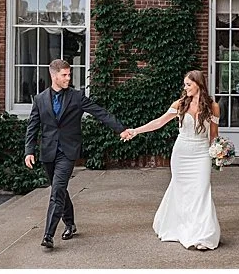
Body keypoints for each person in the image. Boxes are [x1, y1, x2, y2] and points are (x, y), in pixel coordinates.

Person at [23, 58, 135, 249]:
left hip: (68, 151)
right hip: (48, 152)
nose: (68, 78)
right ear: (54, 75)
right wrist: (29, 151)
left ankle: (48, 235)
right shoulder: (40, 99)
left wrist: (121, 129)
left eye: (69, 74)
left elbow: (100, 113)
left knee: (57, 189)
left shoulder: (76, 97)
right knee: (59, 190)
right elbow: (33, 126)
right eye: (64, 75)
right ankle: (70, 224)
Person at [129, 70, 224, 250]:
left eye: (188, 84)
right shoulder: (180, 104)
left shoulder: (213, 106)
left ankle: (203, 235)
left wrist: (220, 152)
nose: (185, 87)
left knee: (202, 191)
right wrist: (135, 131)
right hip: (181, 153)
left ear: (199, 84)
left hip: (202, 154)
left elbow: (213, 136)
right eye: (185, 84)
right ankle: (181, 228)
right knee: (181, 191)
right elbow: (159, 122)